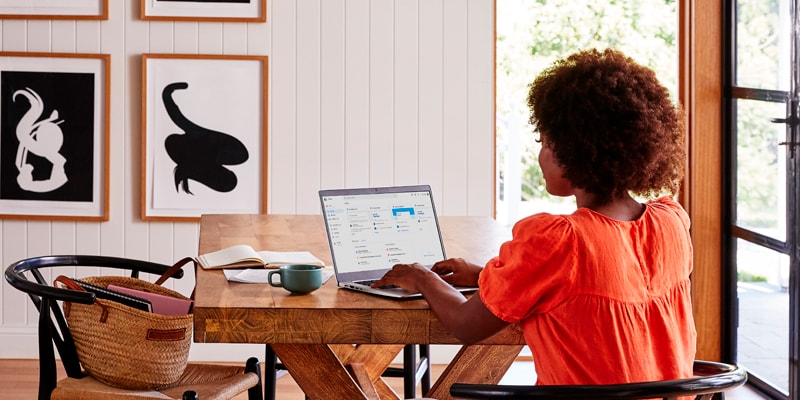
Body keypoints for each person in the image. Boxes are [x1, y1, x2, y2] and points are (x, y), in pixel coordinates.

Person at [372, 48, 697, 385]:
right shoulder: (672, 221)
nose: (541, 155)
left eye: (544, 142)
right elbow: (599, 280)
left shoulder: (558, 239)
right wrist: (485, 275)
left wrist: (422, 277)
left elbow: (465, 325)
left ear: (574, 150)